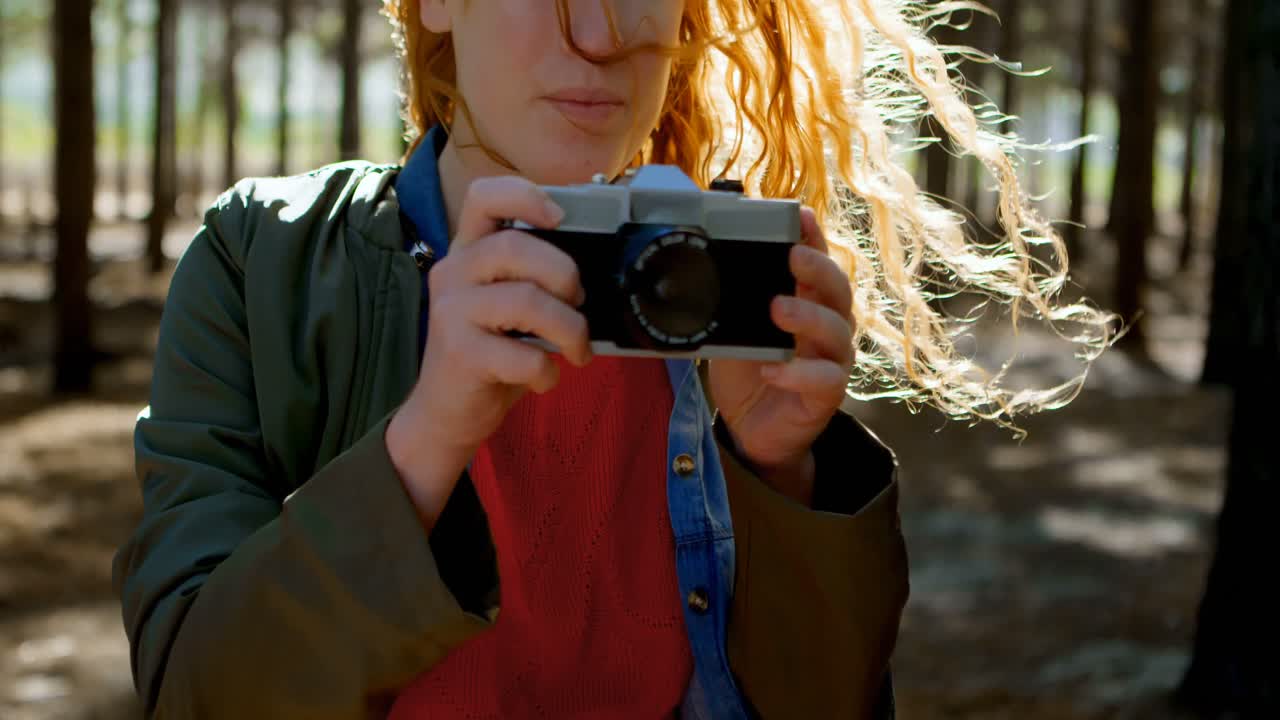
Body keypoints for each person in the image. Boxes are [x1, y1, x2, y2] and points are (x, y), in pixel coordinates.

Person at [112, 0, 1116, 718]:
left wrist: (781, 479)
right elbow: (198, 695)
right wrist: (425, 441)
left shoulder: (730, 279)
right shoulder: (262, 260)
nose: (597, 36)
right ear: (431, 7)